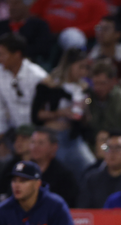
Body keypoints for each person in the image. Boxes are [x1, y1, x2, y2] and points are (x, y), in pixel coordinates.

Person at [31, 47, 96, 177]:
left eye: (86, 68)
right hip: (53, 137)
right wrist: (61, 113)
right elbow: (36, 115)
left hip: (73, 138)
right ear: (69, 65)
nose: (83, 72)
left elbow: (90, 103)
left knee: (90, 169)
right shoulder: (48, 85)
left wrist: (86, 104)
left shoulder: (84, 88)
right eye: (80, 67)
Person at [0, 33, 48, 140]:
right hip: (11, 132)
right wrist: (0, 135)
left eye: (2, 55)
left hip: (35, 132)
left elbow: (42, 112)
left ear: (17, 54)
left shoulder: (37, 76)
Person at [0, 0, 54, 64]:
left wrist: (17, 57)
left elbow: (42, 48)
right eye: (10, 4)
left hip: (29, 63)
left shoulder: (39, 26)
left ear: (27, 5)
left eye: (16, 3)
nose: (12, 7)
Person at [28, 128, 80, 208]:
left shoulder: (64, 176)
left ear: (54, 147)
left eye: (41, 143)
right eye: (33, 142)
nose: (35, 147)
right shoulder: (23, 171)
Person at [77, 131, 121, 208]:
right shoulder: (92, 180)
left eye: (118, 148)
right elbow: (83, 211)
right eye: (108, 148)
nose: (112, 152)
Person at [29, 0, 107, 40]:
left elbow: (98, 24)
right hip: (43, 34)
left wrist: (76, 30)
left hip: (75, 38)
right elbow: (34, 14)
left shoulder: (96, 2)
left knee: (73, 37)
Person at [0, 124, 35, 201]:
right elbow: (0, 190)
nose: (18, 142)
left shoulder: (40, 164)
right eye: (16, 139)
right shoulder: (11, 165)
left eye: (24, 138)